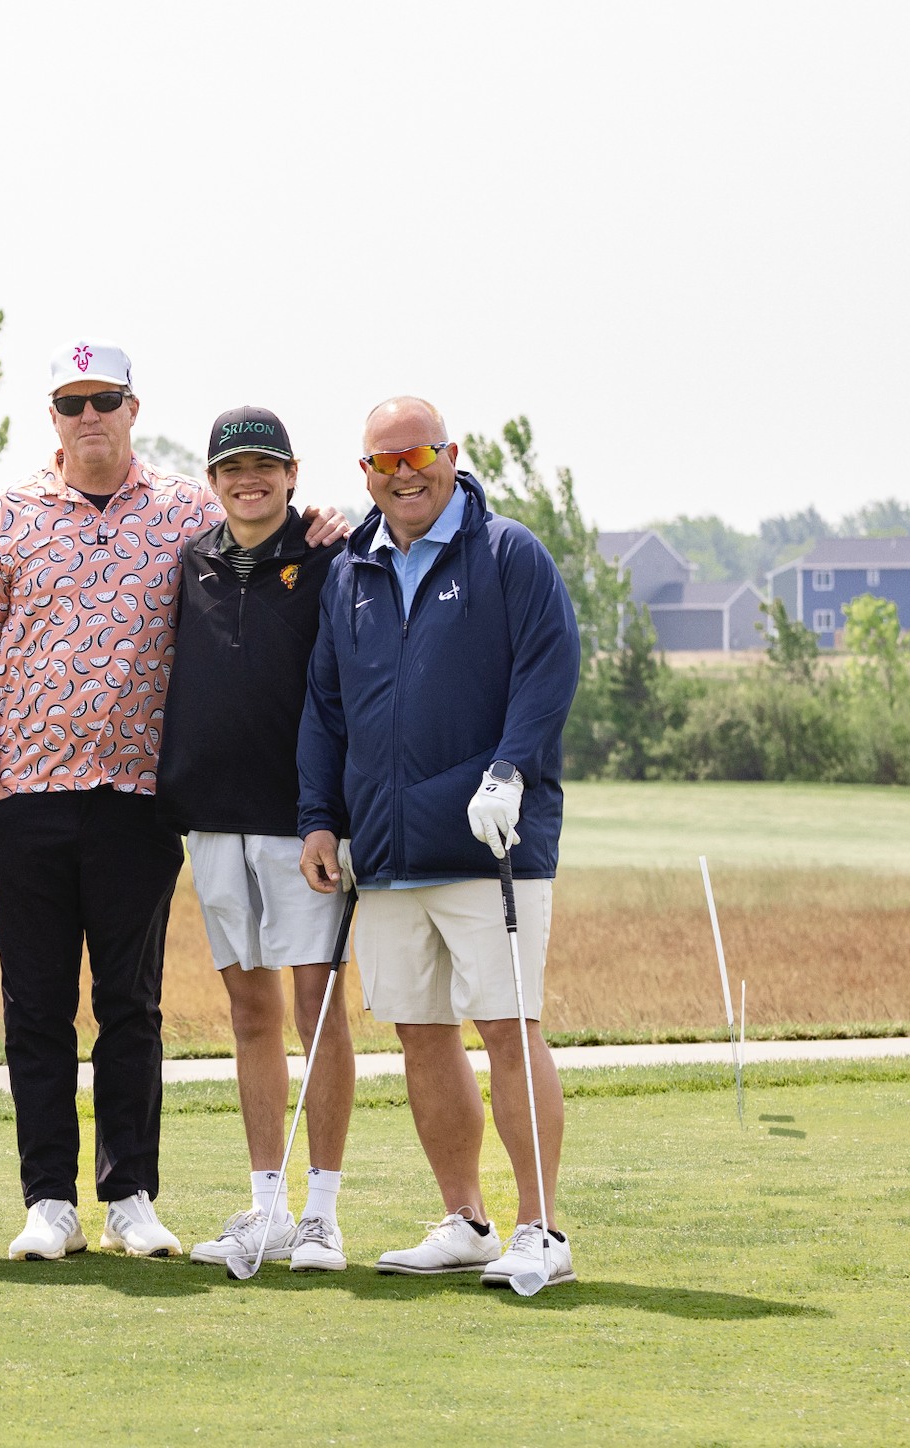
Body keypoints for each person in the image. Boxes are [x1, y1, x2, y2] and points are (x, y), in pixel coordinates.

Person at [0, 342, 347, 1262]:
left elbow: (267, 522)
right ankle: (49, 1198)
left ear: (133, 408)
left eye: (106, 400)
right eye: (72, 401)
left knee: (130, 1004)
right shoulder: (3, 515)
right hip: (27, 795)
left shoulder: (183, 508)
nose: (90, 416)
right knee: (37, 1004)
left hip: (140, 799)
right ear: (54, 416)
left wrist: (321, 518)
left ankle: (129, 1194)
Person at [296, 396, 581, 1288]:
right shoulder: (349, 573)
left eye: (416, 454)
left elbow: (550, 666)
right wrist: (318, 815)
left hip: (489, 843)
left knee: (507, 1027)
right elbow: (326, 710)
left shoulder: (506, 553)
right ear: (366, 476)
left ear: (449, 455)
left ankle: (542, 1230)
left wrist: (511, 771)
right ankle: (467, 1218)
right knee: (421, 1033)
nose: (402, 472)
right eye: (383, 462)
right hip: (384, 856)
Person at [156, 407, 356, 1274]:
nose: (249, 480)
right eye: (233, 468)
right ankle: (266, 1205)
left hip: (302, 821)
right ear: (212, 480)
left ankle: (322, 1214)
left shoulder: (328, 558)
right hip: (211, 817)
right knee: (250, 1013)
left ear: (292, 474)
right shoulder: (190, 560)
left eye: (264, 467)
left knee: (317, 1010)